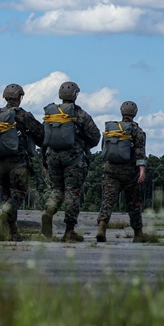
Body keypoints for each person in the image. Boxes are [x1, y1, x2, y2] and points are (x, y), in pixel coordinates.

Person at [40, 81, 101, 242]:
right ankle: (69, 231)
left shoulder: (51, 113)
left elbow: (43, 137)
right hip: (74, 158)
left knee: (56, 190)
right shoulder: (79, 114)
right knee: (73, 192)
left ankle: (48, 213)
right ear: (75, 95)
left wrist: (43, 159)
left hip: (52, 157)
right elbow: (95, 136)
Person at [0, 83, 44, 241]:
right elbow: (41, 134)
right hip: (18, 163)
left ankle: (13, 232)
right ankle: (1, 220)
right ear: (19, 97)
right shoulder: (22, 115)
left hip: (0, 163)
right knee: (18, 194)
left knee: (7, 197)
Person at [96, 100, 148, 243]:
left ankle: (102, 227)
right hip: (130, 173)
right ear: (135, 113)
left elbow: (104, 149)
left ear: (121, 112)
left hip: (110, 171)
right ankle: (138, 234)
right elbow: (140, 152)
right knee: (133, 203)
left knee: (108, 201)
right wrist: (142, 169)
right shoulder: (137, 131)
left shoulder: (111, 129)